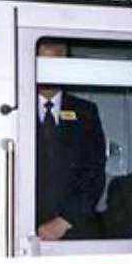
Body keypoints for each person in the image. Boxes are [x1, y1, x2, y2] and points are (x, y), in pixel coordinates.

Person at [35, 38, 106, 241]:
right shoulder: (13, 110)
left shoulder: (86, 112)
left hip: (77, 230)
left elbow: (95, 173)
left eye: (55, 64)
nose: (48, 72)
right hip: (25, 230)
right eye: (42, 64)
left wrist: (64, 221)